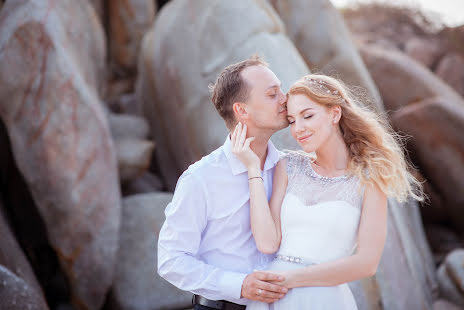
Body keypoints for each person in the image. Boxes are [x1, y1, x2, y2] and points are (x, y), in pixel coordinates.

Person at [231, 74, 424, 309]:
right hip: (273, 299)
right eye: (292, 120)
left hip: (322, 299)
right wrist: (253, 170)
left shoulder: (369, 178)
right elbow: (268, 242)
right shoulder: (289, 165)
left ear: (334, 113)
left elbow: (367, 263)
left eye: (308, 116)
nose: (298, 129)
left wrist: (291, 279)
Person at [157, 55, 292, 310]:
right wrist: (239, 285)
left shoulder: (290, 168)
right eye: (273, 94)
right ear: (242, 111)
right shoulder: (201, 178)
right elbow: (170, 260)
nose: (285, 99)